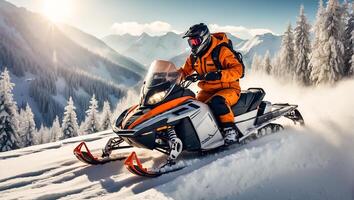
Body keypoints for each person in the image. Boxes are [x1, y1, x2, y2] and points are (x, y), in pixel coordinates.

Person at [178, 23, 243, 144]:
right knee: (191, 106)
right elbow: (183, 71)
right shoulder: (194, 57)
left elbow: (238, 70)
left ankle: (230, 130)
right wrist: (168, 77)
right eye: (191, 42)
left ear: (205, 38)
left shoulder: (222, 51)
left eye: (196, 41)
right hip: (207, 91)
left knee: (218, 102)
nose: (193, 45)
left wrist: (219, 75)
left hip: (229, 89)